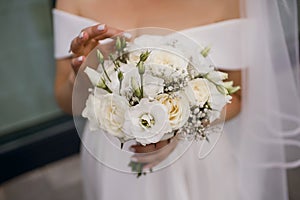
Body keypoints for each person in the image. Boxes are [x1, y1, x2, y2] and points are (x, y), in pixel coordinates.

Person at [53, 0, 300, 200]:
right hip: (112, 152)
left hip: (194, 157)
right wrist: (83, 76)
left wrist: (179, 126)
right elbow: (65, 102)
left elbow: (237, 96)